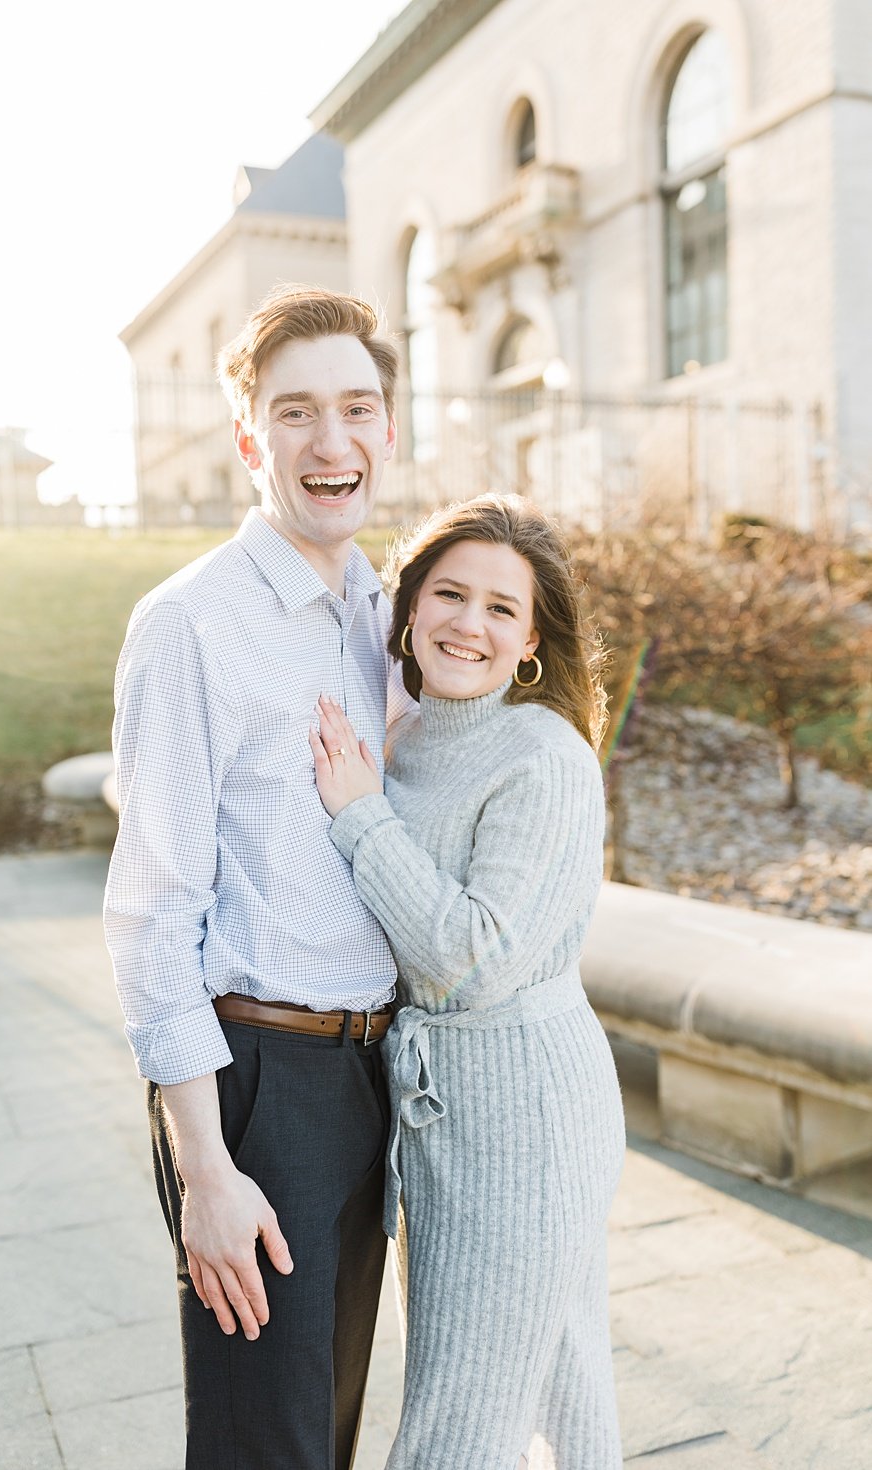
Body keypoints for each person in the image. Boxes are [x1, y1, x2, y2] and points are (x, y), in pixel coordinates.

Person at [104, 285, 406, 1470]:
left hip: (369, 1076)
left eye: (356, 408)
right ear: (249, 440)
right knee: (260, 1452)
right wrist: (206, 1172)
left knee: (322, 1434)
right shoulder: (188, 625)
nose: (330, 443)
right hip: (254, 1087)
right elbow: (148, 911)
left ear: (387, 428)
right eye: (294, 414)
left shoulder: (379, 608)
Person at [310, 493, 626, 1470]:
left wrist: (360, 818)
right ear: (407, 612)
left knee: (457, 1423)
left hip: (519, 1121)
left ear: (531, 639)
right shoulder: (404, 741)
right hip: (447, 1111)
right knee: (560, 1389)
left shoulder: (543, 757)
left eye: (499, 608)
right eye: (448, 593)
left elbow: (470, 964)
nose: (468, 624)